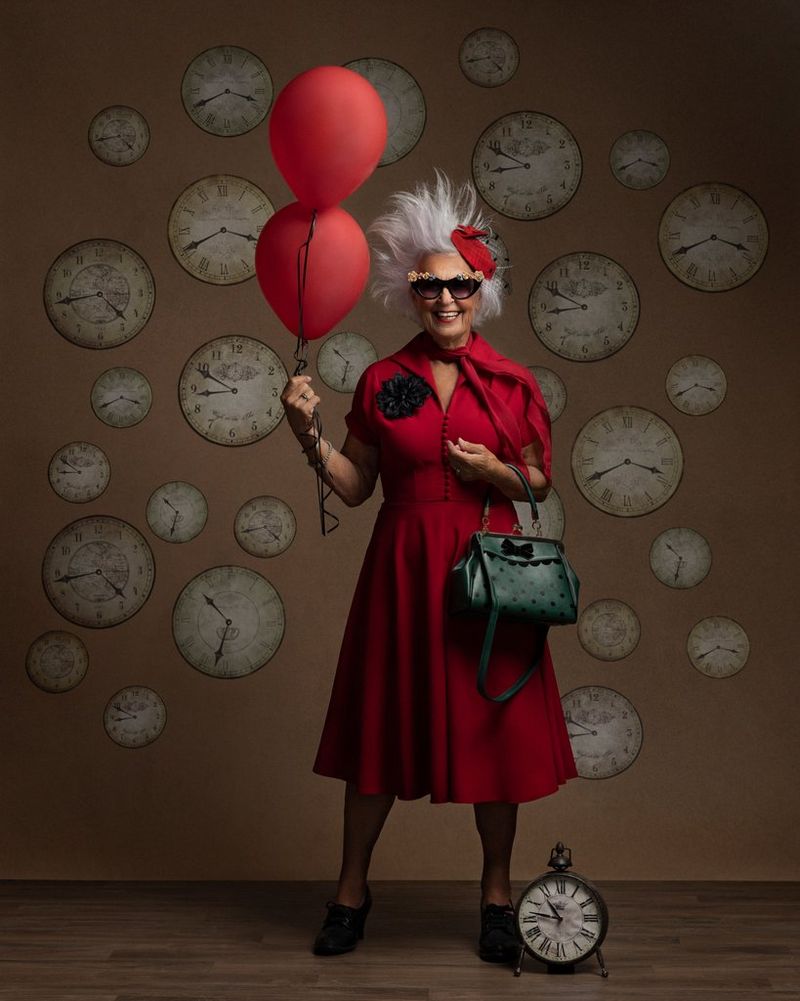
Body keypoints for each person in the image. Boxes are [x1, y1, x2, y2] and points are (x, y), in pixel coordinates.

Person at [280, 172, 578, 963]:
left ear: (480, 290)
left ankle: (496, 894)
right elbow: (354, 488)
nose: (445, 298)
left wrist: (496, 472)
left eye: (459, 284)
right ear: (409, 292)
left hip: (492, 577)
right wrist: (307, 434)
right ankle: (350, 890)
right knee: (378, 729)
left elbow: (541, 483)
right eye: (429, 286)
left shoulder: (514, 386)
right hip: (403, 570)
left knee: (496, 736)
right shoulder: (382, 381)